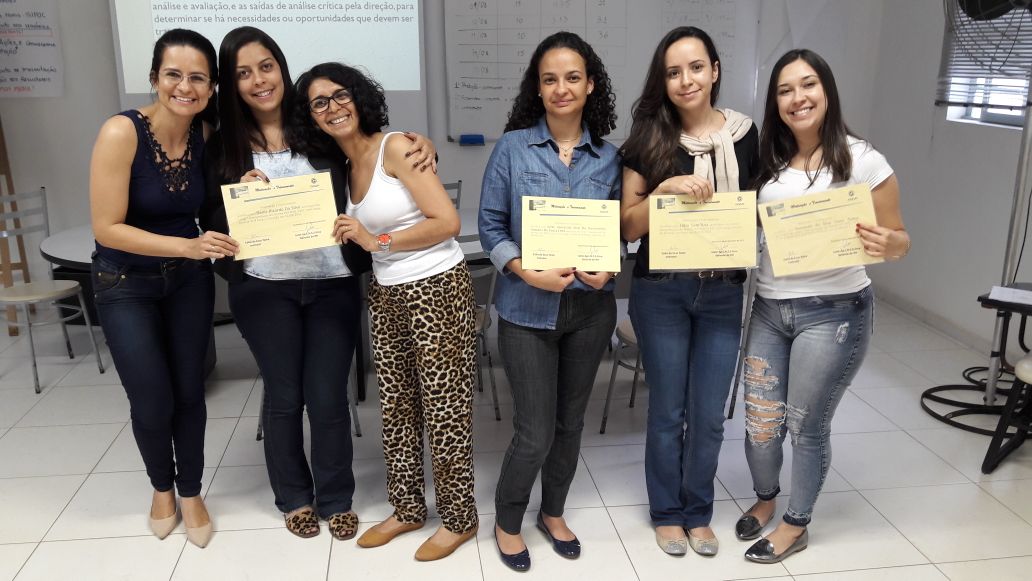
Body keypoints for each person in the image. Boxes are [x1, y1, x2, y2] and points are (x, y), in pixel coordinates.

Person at [199, 27, 437, 541]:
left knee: (329, 397)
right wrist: (236, 196)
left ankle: (336, 498)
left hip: (332, 284)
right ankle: (294, 498)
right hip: (263, 288)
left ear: (281, 68)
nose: (259, 80)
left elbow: (371, 150)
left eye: (266, 66)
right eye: (243, 73)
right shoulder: (222, 146)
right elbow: (209, 221)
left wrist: (419, 141)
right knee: (284, 397)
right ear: (231, 84)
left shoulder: (316, 127)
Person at [294, 62, 479, 561]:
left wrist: (377, 240)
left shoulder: (397, 147)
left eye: (340, 95)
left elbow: (447, 221)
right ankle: (407, 508)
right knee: (396, 408)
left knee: (444, 408)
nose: (333, 108)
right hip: (386, 292)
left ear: (359, 97)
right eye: (319, 103)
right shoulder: (340, 166)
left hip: (437, 287)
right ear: (310, 116)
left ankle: (459, 519)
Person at [735, 48, 909, 564]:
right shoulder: (768, 161)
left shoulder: (863, 159)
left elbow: (900, 239)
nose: (798, 98)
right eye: (785, 90)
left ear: (827, 90)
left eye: (808, 85)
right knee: (761, 424)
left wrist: (889, 244)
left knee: (805, 425)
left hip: (834, 313)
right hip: (769, 309)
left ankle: (796, 524)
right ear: (775, 102)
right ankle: (766, 499)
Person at [478, 31, 620, 572]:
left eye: (573, 77)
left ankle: (553, 513)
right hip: (525, 311)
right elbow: (490, 226)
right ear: (537, 89)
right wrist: (523, 270)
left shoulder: (610, 157)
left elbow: (617, 233)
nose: (562, 88)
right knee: (534, 431)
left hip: (590, 312)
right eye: (550, 79)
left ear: (590, 86)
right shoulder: (513, 147)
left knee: (569, 425)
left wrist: (611, 264)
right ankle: (508, 520)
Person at [89, 28, 235, 549]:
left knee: (190, 391)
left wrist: (246, 190)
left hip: (188, 282)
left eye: (198, 78)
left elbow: (215, 203)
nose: (185, 87)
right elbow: (107, 228)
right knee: (152, 399)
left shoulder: (207, 134)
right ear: (154, 77)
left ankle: (191, 491)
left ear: (211, 88)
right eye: (173, 74)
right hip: (125, 283)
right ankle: (161, 487)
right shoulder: (121, 132)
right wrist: (188, 246)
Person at [619, 26, 759, 557]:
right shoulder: (648, 140)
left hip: (723, 291)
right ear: (663, 80)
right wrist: (663, 190)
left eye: (696, 67)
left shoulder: (747, 136)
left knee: (708, 414)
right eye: (673, 72)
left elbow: (762, 205)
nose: (686, 80)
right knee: (667, 412)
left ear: (715, 71)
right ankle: (666, 513)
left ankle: (698, 511)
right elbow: (628, 226)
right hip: (662, 292)